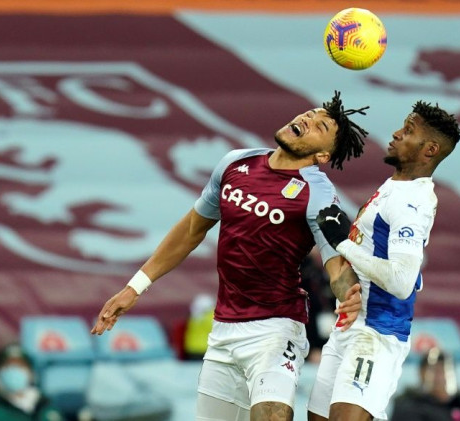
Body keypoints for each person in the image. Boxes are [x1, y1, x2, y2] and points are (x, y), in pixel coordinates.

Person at [91, 91, 368, 421]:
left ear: (323, 154)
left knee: (272, 415)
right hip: (223, 332)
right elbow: (193, 228)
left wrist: (348, 295)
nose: (306, 119)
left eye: (320, 125)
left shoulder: (317, 191)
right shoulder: (236, 163)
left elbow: (335, 266)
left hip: (277, 329)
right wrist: (135, 286)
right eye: (309, 113)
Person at [308, 101, 460, 421]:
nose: (395, 134)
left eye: (408, 131)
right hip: (348, 328)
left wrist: (343, 246)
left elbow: (401, 281)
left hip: (376, 333)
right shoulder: (395, 187)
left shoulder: (412, 202)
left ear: (429, 149)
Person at [0, 343, 63, 421]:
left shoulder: (45, 407)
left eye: (21, 366)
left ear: (31, 373)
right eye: (9, 366)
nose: (15, 370)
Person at [390, 347, 460, 421]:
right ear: (421, 373)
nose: (440, 377)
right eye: (435, 371)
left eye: (445, 370)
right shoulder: (408, 406)